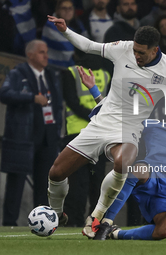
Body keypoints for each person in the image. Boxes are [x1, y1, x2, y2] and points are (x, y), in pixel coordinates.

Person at [46, 15, 166, 239]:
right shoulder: (123, 48)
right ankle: (56, 213)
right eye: (135, 50)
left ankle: (98, 218)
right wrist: (66, 30)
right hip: (102, 122)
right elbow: (90, 46)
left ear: (154, 49)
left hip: (130, 128)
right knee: (56, 172)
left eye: (141, 52)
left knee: (123, 162)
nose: (136, 55)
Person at [80, 73, 166, 240]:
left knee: (165, 231)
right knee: (138, 168)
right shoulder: (153, 126)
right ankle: (105, 223)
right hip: (150, 178)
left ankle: (116, 234)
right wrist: (94, 90)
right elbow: (118, 115)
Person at [0, 40, 63, 226]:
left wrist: (57, 132)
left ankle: (42, 224)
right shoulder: (18, 73)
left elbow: (57, 105)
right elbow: (4, 94)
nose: (46, 56)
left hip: (47, 138)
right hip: (23, 137)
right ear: (31, 55)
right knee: (16, 183)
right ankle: (9, 223)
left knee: (44, 186)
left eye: (46, 52)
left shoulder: (51, 75)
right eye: (41, 52)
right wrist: (31, 98)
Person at [62, 52, 110, 227]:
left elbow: (72, 102)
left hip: (80, 133)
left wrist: (91, 117)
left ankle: (80, 221)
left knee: (83, 183)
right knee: (92, 183)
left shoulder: (70, 72)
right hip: (93, 133)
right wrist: (95, 117)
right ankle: (92, 221)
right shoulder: (105, 73)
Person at [42, 0, 88, 67]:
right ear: (57, 10)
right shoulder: (51, 25)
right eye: (64, 8)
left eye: (70, 8)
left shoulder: (77, 23)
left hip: (71, 68)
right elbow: (67, 49)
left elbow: (86, 41)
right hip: (54, 67)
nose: (67, 11)